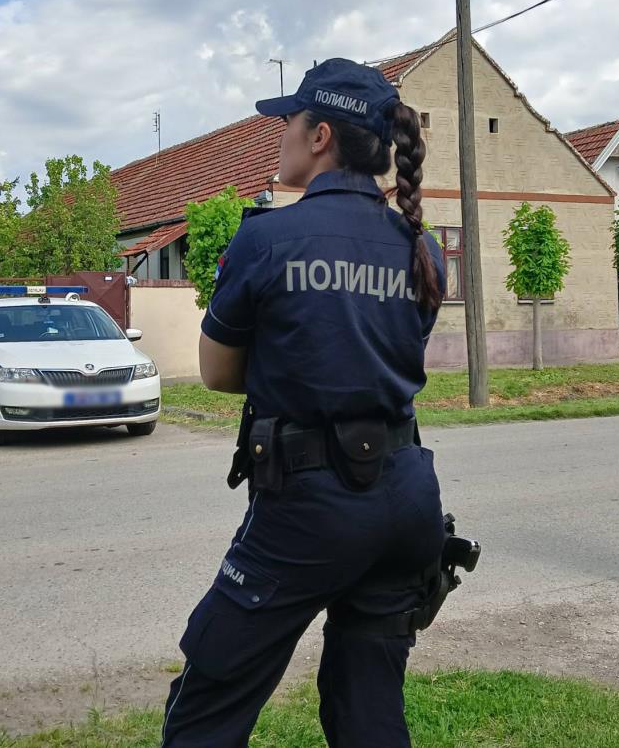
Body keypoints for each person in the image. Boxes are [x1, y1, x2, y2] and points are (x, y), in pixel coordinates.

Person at [161, 58, 447, 748]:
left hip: (309, 507)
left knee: (208, 704)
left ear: (319, 136)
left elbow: (217, 372)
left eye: (287, 121)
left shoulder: (265, 237)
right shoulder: (424, 248)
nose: (280, 135)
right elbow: (383, 359)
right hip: (407, 500)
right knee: (368, 708)